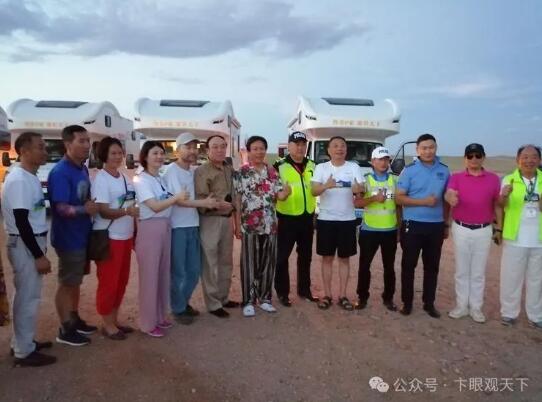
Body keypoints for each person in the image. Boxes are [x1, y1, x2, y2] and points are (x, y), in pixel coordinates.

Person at [1, 132, 56, 366]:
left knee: (26, 295)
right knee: (27, 298)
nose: (45, 151)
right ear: (24, 151)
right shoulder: (20, 180)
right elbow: (22, 222)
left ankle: (23, 343)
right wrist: (38, 255)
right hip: (25, 244)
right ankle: (24, 352)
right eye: (40, 147)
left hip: (30, 242)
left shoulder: (29, 176)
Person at [48, 125, 99, 346]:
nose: (87, 145)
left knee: (75, 281)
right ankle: (65, 329)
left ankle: (74, 318)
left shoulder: (82, 168)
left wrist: (88, 205)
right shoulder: (60, 172)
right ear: (68, 144)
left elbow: (83, 198)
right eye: (82, 141)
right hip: (68, 238)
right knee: (67, 283)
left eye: (88, 141)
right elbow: (60, 208)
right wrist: (84, 210)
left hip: (82, 235)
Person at [163, 133, 220, 325]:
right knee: (178, 271)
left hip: (193, 225)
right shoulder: (172, 171)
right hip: (177, 227)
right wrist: (204, 203)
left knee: (194, 271)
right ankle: (178, 309)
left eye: (194, 147)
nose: (192, 151)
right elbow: (179, 201)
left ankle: (182, 302)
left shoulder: (192, 171)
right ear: (177, 150)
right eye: (187, 147)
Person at [133, 141, 188, 337]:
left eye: (161, 153)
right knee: (150, 276)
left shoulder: (159, 178)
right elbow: (155, 206)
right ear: (145, 156)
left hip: (165, 227)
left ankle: (159, 316)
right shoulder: (141, 180)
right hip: (150, 229)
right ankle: (148, 323)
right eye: (154, 153)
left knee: (162, 274)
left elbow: (166, 201)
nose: (159, 157)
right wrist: (177, 197)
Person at [444, 143, 501, 324]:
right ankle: (461, 306)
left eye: (477, 155)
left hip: (483, 230)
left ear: (483, 157)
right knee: (462, 270)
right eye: (470, 156)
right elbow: (449, 193)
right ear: (465, 159)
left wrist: (499, 228)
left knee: (478, 272)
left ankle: (476, 308)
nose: (474, 159)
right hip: (461, 228)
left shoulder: (493, 179)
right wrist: (450, 197)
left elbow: (498, 204)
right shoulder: (456, 177)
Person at [396, 133, 450, 318]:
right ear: (417, 150)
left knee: (432, 267)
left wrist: (446, 224)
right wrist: (423, 202)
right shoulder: (409, 170)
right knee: (408, 265)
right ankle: (407, 303)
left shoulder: (444, 170)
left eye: (431, 147)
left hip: (435, 226)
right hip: (413, 225)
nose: (428, 151)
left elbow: (447, 200)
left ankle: (429, 303)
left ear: (436, 148)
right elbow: (399, 198)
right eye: (424, 148)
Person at [234, 135, 289, 317]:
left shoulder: (272, 171)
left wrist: (287, 192)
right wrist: (237, 224)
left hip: (270, 224)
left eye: (262, 148)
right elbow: (237, 199)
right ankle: (248, 301)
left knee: (268, 263)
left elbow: (279, 196)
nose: (259, 152)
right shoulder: (241, 172)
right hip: (249, 225)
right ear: (249, 151)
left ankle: (265, 298)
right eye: (255, 149)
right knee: (249, 263)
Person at [91, 137, 139, 340]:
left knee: (121, 281)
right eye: (113, 153)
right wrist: (127, 211)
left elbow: (132, 203)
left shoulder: (124, 177)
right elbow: (103, 211)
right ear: (104, 155)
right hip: (110, 237)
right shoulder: (101, 179)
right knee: (109, 282)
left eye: (120, 153)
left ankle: (114, 319)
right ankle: (107, 324)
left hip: (125, 236)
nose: (118, 157)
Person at [310, 136, 363, 311]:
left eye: (342, 146)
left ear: (346, 150)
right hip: (326, 220)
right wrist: (326, 186)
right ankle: (327, 295)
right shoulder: (321, 168)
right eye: (335, 146)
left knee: (344, 259)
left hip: (347, 220)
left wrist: (358, 190)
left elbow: (361, 190)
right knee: (326, 258)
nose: (339, 149)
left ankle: (343, 295)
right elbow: (313, 191)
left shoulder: (354, 167)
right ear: (329, 150)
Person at [194, 135, 239, 318]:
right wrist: (220, 205)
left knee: (226, 262)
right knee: (210, 263)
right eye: (215, 147)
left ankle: (223, 297)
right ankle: (213, 304)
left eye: (222, 146)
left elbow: (235, 194)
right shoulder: (202, 171)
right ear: (207, 150)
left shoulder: (229, 169)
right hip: (210, 221)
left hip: (227, 220)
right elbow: (201, 198)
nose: (220, 150)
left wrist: (235, 217)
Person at [498, 145, 542, 328]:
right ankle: (509, 313)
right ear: (518, 160)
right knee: (511, 277)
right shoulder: (509, 179)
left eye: (533, 157)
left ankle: (536, 315)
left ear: (539, 160)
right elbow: (501, 205)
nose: (529, 160)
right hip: (514, 237)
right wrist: (504, 196)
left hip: (539, 239)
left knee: (537, 279)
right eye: (525, 157)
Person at [273, 131, 318, 307]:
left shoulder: (313, 165)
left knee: (306, 256)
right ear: (289, 146)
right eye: (296, 144)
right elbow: (272, 192)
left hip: (307, 217)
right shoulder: (279, 166)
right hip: (287, 219)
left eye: (303, 144)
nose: (300, 148)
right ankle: (282, 292)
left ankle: (304, 290)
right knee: (282, 257)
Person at [354, 146, 400, 312]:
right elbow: (357, 203)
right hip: (369, 231)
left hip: (390, 230)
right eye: (380, 159)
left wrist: (399, 227)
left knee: (389, 267)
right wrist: (374, 198)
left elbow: (399, 206)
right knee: (364, 266)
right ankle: (362, 298)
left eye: (386, 159)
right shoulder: (365, 180)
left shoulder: (395, 180)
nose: (383, 163)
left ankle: (388, 298)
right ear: (372, 162)